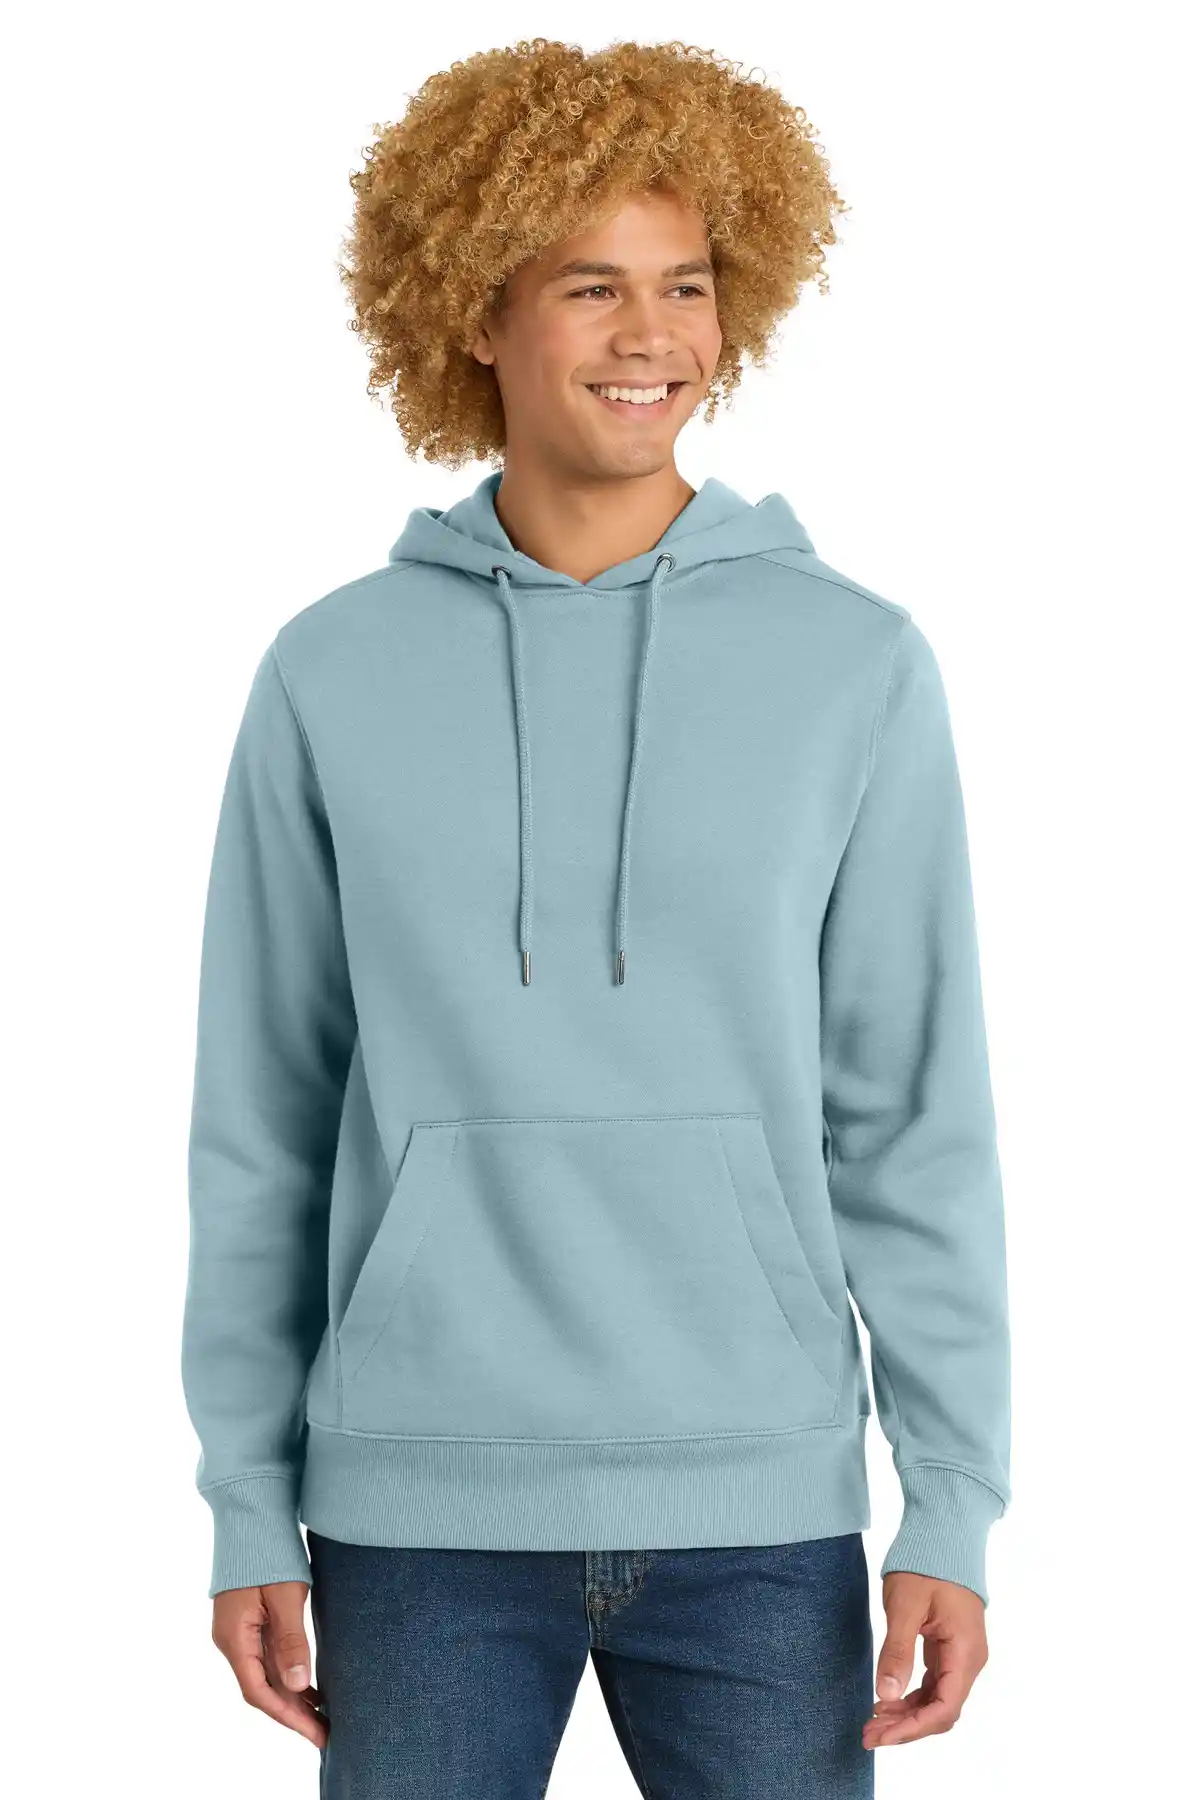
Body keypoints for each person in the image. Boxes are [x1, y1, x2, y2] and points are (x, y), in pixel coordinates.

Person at [181, 35, 1012, 1798]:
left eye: (686, 284)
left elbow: (913, 1115)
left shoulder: (854, 663)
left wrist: (950, 1494)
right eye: (591, 287)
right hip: (415, 1510)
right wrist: (247, 1494)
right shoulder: (331, 669)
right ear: (475, 313)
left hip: (760, 1507)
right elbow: (260, 1125)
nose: (653, 337)